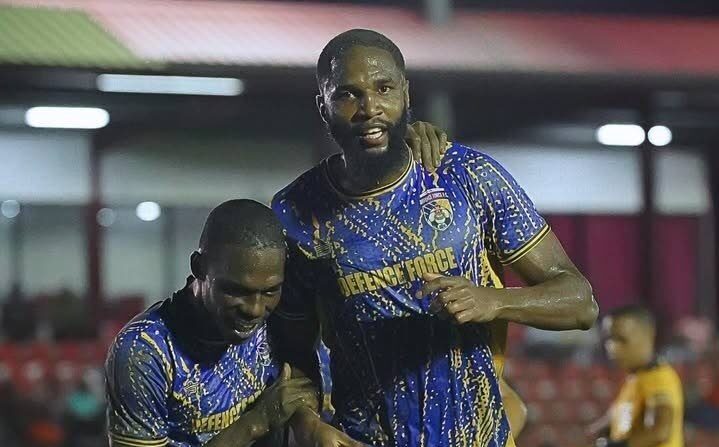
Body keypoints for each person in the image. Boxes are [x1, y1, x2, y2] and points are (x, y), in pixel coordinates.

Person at [272, 28, 598, 447]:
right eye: (347, 95)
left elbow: (580, 302)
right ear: (323, 107)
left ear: (406, 94)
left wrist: (495, 301)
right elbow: (291, 352)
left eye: (383, 88)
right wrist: (306, 423)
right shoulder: (295, 213)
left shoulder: (468, 177)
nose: (369, 107)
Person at [106, 200, 330, 447]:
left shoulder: (280, 317)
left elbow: (297, 384)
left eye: (269, 291)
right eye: (235, 291)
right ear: (199, 267)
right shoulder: (145, 351)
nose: (254, 309)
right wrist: (256, 422)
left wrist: (311, 425)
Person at [589, 306, 684, 447]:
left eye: (621, 339)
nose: (612, 347)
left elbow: (660, 431)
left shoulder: (658, 378)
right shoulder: (634, 379)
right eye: (609, 339)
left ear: (649, 335)